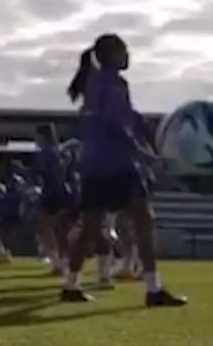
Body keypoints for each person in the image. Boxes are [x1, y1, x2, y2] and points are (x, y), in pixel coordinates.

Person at [58, 33, 186, 307]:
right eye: (124, 50)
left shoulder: (96, 83)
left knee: (91, 227)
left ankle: (70, 284)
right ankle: (153, 289)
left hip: (94, 165)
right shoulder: (114, 83)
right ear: (113, 54)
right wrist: (144, 153)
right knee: (143, 221)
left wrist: (154, 133)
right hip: (117, 164)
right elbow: (117, 123)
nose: (129, 55)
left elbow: (129, 117)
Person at [33, 124, 69, 274]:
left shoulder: (45, 153)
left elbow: (40, 173)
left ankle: (57, 262)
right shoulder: (59, 151)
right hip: (63, 191)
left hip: (50, 192)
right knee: (60, 229)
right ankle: (63, 261)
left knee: (45, 227)